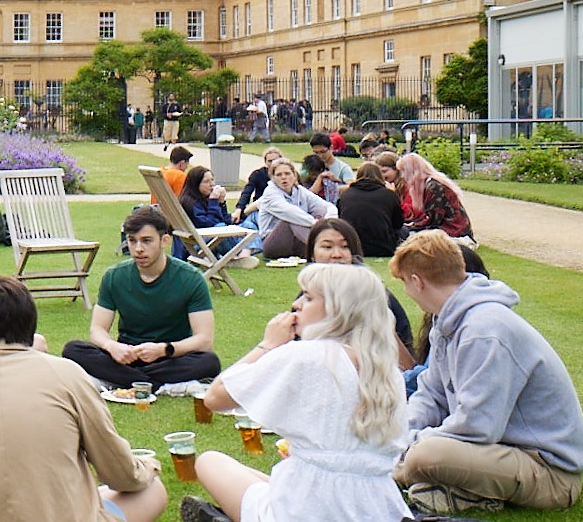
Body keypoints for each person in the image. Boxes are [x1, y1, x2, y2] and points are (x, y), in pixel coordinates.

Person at [0, 276, 168, 522]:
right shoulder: (67, 373)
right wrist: (147, 466)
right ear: (32, 324)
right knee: (152, 490)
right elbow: (120, 472)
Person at [187, 264, 412, 522]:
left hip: (306, 508)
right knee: (273, 479)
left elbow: (215, 397)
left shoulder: (307, 356)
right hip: (377, 504)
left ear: (336, 308)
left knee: (210, 462)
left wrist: (268, 345)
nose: (297, 305)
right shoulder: (387, 371)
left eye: (308, 297)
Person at [389, 231, 583, 514]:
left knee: (424, 457)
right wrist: (399, 434)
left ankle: (396, 475)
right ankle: (427, 482)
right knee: (410, 446)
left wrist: (406, 448)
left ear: (416, 281)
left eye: (405, 284)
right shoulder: (448, 321)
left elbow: (477, 426)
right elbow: (432, 395)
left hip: (549, 472)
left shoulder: (483, 331)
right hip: (501, 452)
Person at [62, 207, 222, 389]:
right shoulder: (114, 276)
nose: (138, 249)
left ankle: (130, 381)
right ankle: (153, 384)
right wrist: (111, 346)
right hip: (127, 356)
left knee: (209, 361)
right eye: (132, 241)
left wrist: (164, 349)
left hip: (169, 358)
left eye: (146, 241)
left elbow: (204, 339)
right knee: (72, 349)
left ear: (165, 241)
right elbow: (97, 329)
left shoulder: (191, 278)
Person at [307, 217, 416, 370]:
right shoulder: (306, 301)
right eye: (327, 247)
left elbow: (408, 366)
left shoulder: (376, 296)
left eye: (345, 247)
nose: (337, 254)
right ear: (312, 254)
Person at [241, 159, 335, 258]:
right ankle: (323, 246)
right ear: (272, 178)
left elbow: (328, 207)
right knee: (289, 220)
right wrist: (315, 224)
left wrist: (327, 222)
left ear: (294, 175)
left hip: (297, 240)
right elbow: (289, 212)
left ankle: (329, 245)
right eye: (279, 175)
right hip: (273, 245)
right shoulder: (270, 193)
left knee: (320, 213)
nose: (284, 178)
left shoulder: (300, 191)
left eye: (287, 174)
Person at [177, 165, 251, 267]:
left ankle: (242, 254)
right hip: (195, 244)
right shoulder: (190, 203)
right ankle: (237, 255)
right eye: (206, 182)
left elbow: (227, 222)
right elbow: (210, 225)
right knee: (220, 228)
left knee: (248, 225)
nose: (211, 184)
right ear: (196, 184)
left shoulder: (204, 198)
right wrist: (213, 201)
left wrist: (221, 203)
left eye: (212, 180)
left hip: (208, 240)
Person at [396, 152, 474, 241]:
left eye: (403, 171)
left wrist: (410, 226)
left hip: (455, 232)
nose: (402, 176)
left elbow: (433, 219)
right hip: (448, 230)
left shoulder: (435, 187)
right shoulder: (430, 184)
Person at [336, 161, 404, 259]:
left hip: (353, 247)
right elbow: (398, 223)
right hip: (383, 247)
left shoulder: (345, 195)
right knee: (404, 231)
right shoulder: (389, 195)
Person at [235, 148, 285, 212]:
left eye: (275, 160)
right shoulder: (257, 174)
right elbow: (247, 192)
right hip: (261, 209)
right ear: (265, 162)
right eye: (270, 161)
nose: (273, 163)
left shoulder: (288, 175)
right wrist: (239, 208)